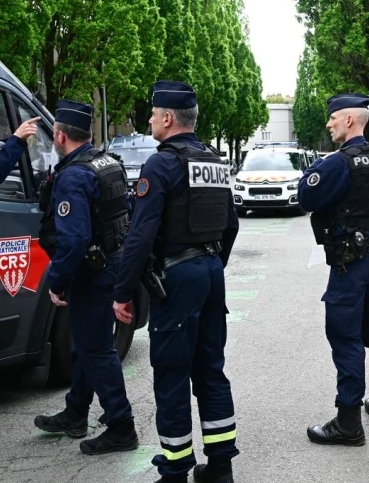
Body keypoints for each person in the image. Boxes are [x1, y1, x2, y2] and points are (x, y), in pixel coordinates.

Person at [112, 81, 240, 483]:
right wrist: (211, 265)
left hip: (177, 276)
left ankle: (175, 470)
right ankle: (220, 467)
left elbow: (140, 234)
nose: (149, 120)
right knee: (211, 369)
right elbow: (231, 224)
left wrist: (122, 292)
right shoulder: (214, 161)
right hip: (210, 271)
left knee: (171, 374)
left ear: (168, 118)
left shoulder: (161, 164)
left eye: (153, 114)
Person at [298, 94, 369, 447]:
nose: (329, 124)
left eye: (333, 118)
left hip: (349, 259)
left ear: (349, 120)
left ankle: (348, 421)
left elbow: (306, 197)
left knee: (345, 336)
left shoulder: (339, 162)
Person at [33, 100, 138, 455]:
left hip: (92, 272)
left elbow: (73, 240)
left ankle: (121, 426)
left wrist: (57, 281)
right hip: (112, 262)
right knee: (86, 344)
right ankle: (76, 412)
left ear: (60, 136)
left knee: (96, 349)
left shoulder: (74, 176)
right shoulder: (108, 163)